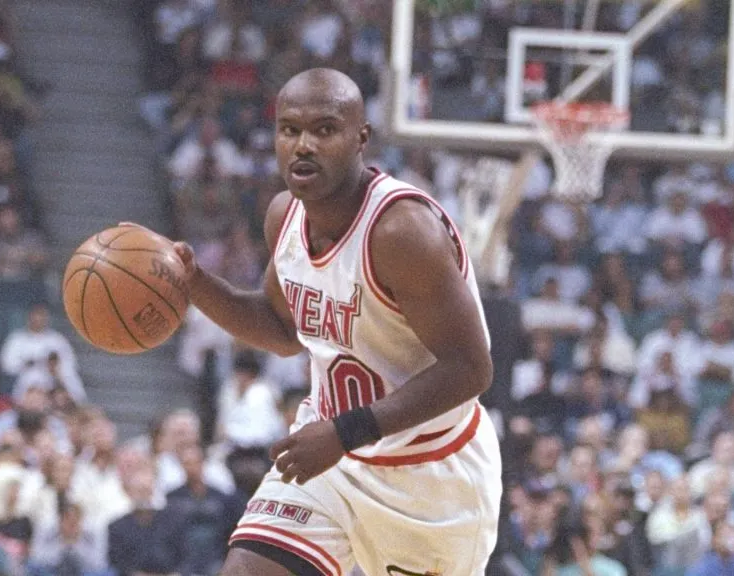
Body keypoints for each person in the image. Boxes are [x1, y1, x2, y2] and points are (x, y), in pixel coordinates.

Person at [125, 68, 501, 576]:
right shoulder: (285, 216)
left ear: (360, 138)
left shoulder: (401, 231)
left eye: (324, 130)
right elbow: (282, 331)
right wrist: (194, 282)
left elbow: (471, 369)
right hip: (332, 458)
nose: (303, 145)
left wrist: (345, 432)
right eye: (289, 130)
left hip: (430, 477)